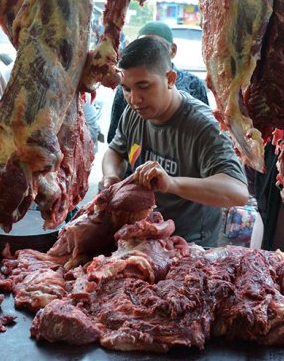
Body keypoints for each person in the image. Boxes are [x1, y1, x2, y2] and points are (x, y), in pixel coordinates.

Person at [102, 37, 248, 247]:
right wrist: (112, 179)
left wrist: (171, 183)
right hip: (143, 237)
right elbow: (115, 151)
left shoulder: (205, 126)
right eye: (126, 89)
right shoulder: (134, 112)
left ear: (170, 78)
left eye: (143, 86)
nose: (134, 99)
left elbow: (238, 191)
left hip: (189, 246)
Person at [107, 21, 209, 145]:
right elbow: (115, 139)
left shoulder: (194, 84)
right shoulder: (126, 88)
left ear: (173, 50)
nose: (135, 100)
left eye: (144, 86)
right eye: (142, 45)